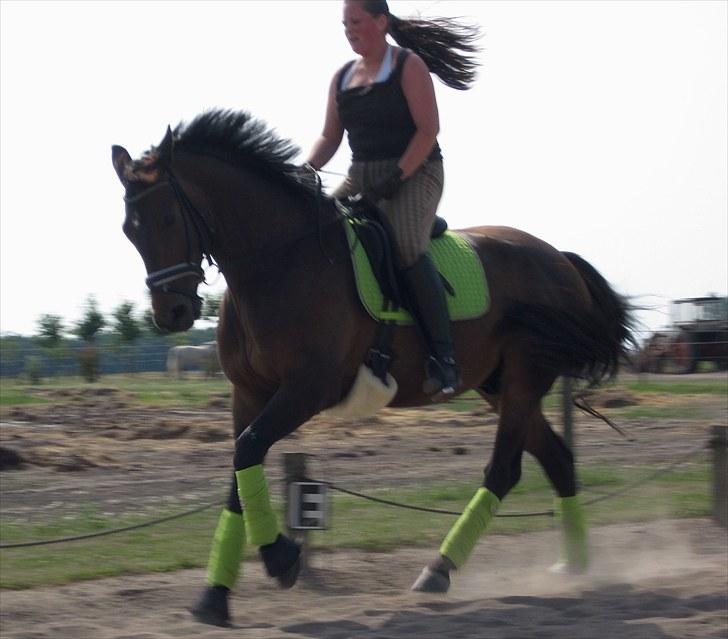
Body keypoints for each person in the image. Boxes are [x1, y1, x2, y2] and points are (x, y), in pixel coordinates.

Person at [305, 0, 480, 400]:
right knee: (320, 232)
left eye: (356, 21)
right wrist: (307, 168)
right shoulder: (342, 77)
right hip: (360, 174)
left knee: (405, 244)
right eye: (344, 23)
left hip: (416, 172)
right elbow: (330, 137)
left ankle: (445, 359)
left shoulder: (408, 66)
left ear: (381, 22)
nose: (348, 29)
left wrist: (396, 178)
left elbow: (428, 130)